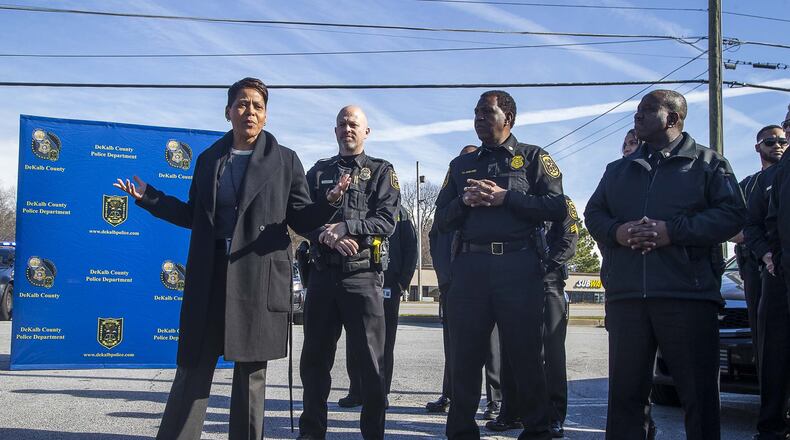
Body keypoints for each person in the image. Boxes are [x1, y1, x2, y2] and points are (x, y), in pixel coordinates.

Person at [113, 77, 349, 440]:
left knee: (251, 375)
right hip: (211, 276)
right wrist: (151, 198)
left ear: (266, 116)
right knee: (193, 366)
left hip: (258, 277)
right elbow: (194, 214)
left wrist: (329, 202)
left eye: (257, 106)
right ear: (228, 112)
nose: (249, 112)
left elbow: (301, 218)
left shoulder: (285, 160)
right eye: (241, 104)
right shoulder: (209, 160)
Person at [585, 89, 745, 439]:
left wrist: (673, 231)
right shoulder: (618, 170)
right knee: (625, 398)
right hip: (628, 297)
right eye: (637, 111)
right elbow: (593, 213)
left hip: (686, 297)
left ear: (673, 118)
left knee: (698, 397)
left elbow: (733, 215)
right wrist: (620, 232)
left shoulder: (708, 164)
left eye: (646, 110)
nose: (637, 116)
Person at [435, 90, 567, 440]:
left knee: (525, 356)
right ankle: (461, 431)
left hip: (519, 266)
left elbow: (557, 208)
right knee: (465, 357)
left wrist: (507, 197)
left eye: (487, 112)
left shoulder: (534, 158)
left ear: (508, 117)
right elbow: (441, 220)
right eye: (476, 112)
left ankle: (537, 430)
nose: (479, 118)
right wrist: (464, 201)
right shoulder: (460, 165)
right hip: (471, 268)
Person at [298, 105, 400, 440]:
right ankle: (311, 433)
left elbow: (387, 220)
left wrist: (347, 227)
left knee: (372, 367)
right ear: (335, 130)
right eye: (342, 123)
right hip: (323, 277)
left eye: (354, 124)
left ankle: (374, 435)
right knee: (314, 364)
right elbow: (302, 217)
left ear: (366, 132)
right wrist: (323, 235)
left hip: (363, 279)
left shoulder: (381, 171)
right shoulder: (318, 171)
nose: (347, 128)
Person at [487, 195, 579, 437]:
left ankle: (554, 416)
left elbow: (570, 239)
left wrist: (545, 264)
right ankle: (511, 412)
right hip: (516, 282)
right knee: (511, 350)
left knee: (552, 352)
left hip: (549, 282)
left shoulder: (561, 202)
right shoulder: (515, 200)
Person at [338, 204, 418, 410]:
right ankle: (356, 390)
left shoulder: (401, 212)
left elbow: (411, 249)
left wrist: (402, 283)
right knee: (355, 339)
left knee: (384, 343)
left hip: (389, 286)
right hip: (362, 281)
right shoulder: (362, 207)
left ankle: (381, 392)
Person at [425, 145, 479, 414]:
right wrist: (444, 277)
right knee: (453, 345)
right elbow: (435, 239)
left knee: (490, 350)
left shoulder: (482, 204)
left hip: (481, 283)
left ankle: (495, 401)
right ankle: (449, 395)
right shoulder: (447, 207)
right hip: (452, 286)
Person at [745, 123, 790, 439]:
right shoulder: (758, 182)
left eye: (781, 140)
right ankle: (771, 425)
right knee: (772, 350)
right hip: (771, 272)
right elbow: (754, 224)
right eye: (771, 140)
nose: (778, 144)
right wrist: (768, 256)